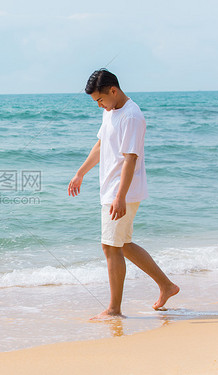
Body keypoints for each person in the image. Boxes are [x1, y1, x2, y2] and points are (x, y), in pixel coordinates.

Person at [68, 69, 179, 320]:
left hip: (122, 192)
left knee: (110, 248)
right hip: (112, 190)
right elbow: (100, 145)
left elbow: (130, 159)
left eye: (100, 100)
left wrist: (120, 197)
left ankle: (114, 309)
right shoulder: (111, 112)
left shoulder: (131, 116)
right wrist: (80, 173)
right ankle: (166, 286)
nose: (99, 105)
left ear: (113, 91)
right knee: (123, 245)